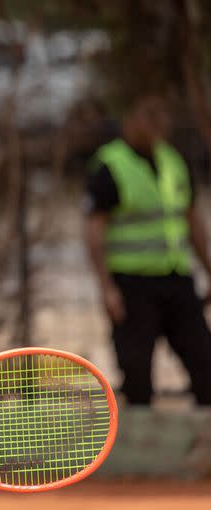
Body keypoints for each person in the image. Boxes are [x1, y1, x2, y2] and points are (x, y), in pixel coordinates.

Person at [84, 91, 211, 405]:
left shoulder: (173, 160)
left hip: (175, 277)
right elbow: (93, 231)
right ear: (130, 119)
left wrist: (208, 268)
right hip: (132, 284)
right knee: (137, 370)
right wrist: (106, 287)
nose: (158, 124)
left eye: (162, 116)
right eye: (149, 116)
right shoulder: (110, 165)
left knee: (204, 361)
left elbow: (191, 220)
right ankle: (141, 446)